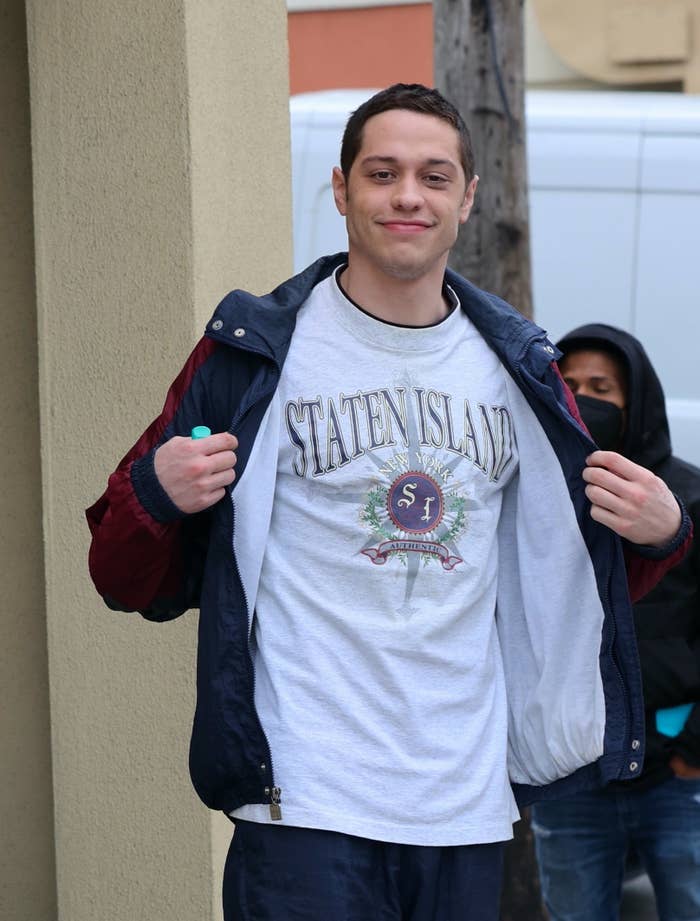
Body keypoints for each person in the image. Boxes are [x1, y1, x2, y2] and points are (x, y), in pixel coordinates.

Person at [85, 85, 691, 921]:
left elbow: (565, 593)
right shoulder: (255, 350)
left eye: (435, 176)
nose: (409, 195)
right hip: (302, 797)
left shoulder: (518, 367)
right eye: (383, 172)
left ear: (468, 199)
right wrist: (158, 491)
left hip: (465, 805)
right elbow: (119, 572)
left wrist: (664, 535)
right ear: (340, 189)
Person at [532, 324, 700, 921]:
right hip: (573, 776)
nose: (584, 398)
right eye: (570, 385)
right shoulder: (539, 496)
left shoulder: (686, 497)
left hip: (678, 776)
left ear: (638, 399)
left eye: (602, 386)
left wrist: (693, 747)